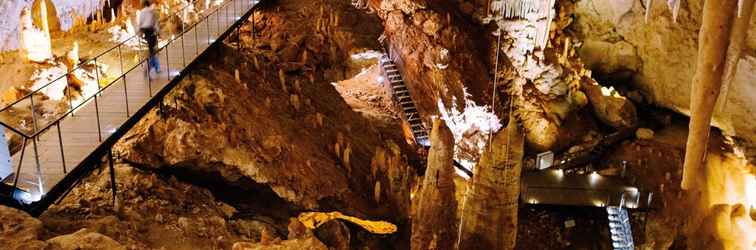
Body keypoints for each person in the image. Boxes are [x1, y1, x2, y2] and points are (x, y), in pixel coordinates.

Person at [138, 0, 160, 78]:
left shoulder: (142, 12)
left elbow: (140, 23)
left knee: (152, 49)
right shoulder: (152, 11)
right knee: (153, 50)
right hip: (151, 31)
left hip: (145, 31)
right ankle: (148, 68)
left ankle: (156, 67)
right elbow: (155, 22)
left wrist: (140, 32)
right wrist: (158, 31)